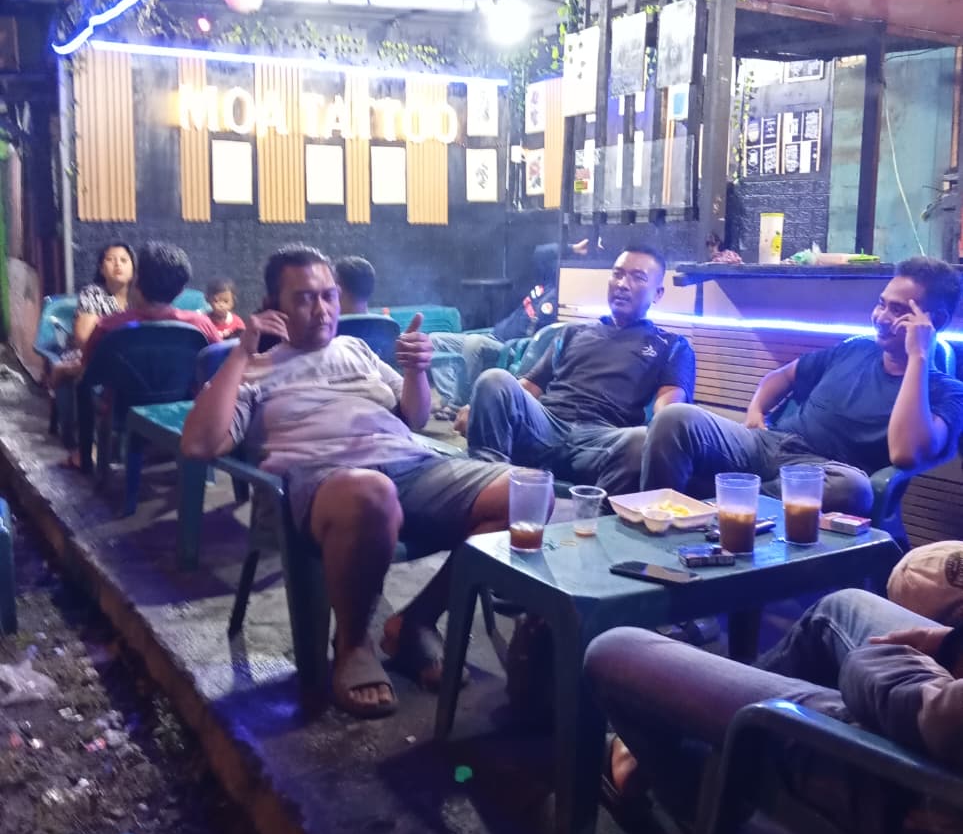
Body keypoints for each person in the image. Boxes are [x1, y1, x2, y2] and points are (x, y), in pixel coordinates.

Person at [180, 243, 514, 720]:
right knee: (370, 493)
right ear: (273, 307)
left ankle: (415, 622)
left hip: (409, 464)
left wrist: (416, 371)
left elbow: (415, 417)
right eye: (304, 298)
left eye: (329, 296)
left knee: (526, 495)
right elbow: (199, 444)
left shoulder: (357, 350)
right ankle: (354, 644)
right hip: (324, 481)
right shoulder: (252, 370)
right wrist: (239, 354)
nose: (322, 310)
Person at [586, 588, 963, 831]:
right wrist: (951, 644)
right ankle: (722, 753)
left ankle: (703, 792)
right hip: (943, 704)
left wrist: (877, 664)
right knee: (839, 607)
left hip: (929, 777)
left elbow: (937, 720)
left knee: (612, 651)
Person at [640, 256, 963, 515]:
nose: (880, 317)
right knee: (676, 417)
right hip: (769, 444)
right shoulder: (856, 349)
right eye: (882, 304)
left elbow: (905, 454)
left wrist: (918, 356)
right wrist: (756, 411)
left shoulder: (948, 392)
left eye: (898, 310)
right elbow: (781, 377)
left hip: (823, 473)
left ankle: (716, 509)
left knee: (853, 488)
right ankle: (657, 524)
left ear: (935, 321)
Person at [464, 246, 695, 495]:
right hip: (546, 427)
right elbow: (528, 388)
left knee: (641, 441)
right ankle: (486, 492)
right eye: (617, 274)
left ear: (658, 293)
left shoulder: (671, 345)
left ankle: (599, 517)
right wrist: (481, 406)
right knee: (494, 380)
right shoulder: (573, 332)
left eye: (638, 277)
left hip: (603, 439)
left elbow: (667, 416)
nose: (622, 284)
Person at [429, 243, 560, 412]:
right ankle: (450, 398)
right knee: (435, 339)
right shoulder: (542, 287)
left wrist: (570, 251)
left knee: (474, 342)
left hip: (511, 348)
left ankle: (460, 405)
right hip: (492, 335)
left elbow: (540, 339)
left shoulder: (557, 296)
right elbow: (541, 252)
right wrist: (571, 247)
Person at [51, 241, 137, 467]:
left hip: (126, 360)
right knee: (87, 377)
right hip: (90, 355)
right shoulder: (94, 293)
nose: (117, 264)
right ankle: (87, 447)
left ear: (133, 267)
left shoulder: (139, 297)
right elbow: (84, 338)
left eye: (124, 260)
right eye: (110, 259)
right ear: (101, 268)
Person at [83, 241, 220, 365]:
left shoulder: (107, 327)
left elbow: (88, 371)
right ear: (181, 291)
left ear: (136, 281)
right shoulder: (201, 325)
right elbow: (222, 364)